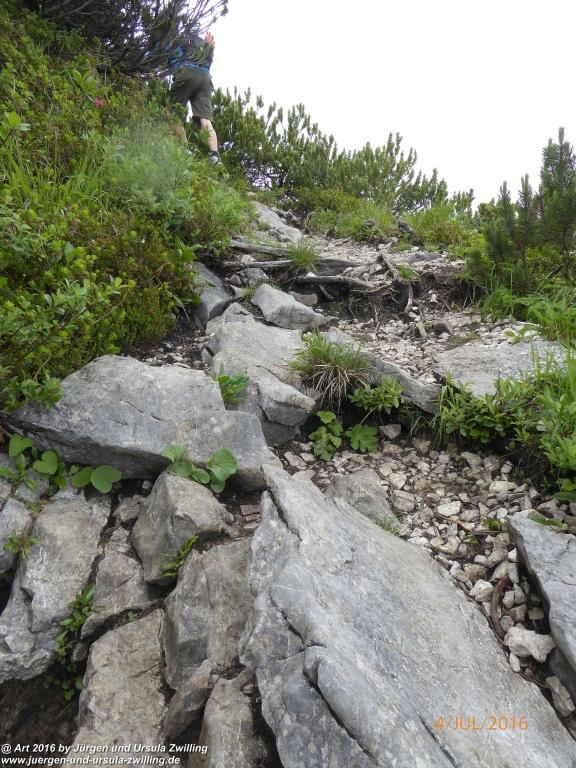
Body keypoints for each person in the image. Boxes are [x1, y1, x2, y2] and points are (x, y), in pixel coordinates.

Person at [168, 29, 222, 166]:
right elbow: (208, 61)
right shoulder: (203, 44)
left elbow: (170, 57)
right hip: (205, 78)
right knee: (206, 119)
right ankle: (215, 157)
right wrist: (209, 48)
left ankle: (185, 150)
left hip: (186, 72)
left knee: (172, 112)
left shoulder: (178, 40)